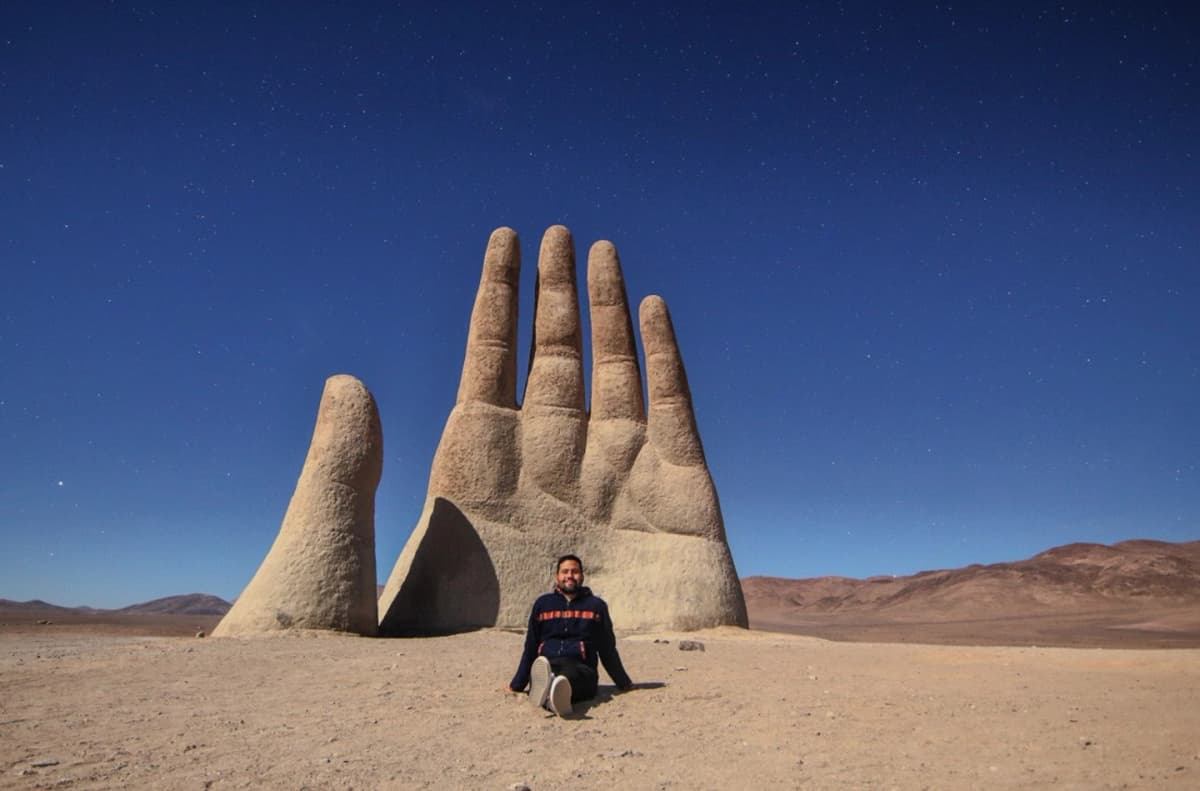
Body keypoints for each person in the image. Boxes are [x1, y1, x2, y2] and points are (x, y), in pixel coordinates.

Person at [507, 554, 633, 716]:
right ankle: (553, 693)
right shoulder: (542, 604)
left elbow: (607, 648)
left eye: (575, 572)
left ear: (582, 576)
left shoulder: (596, 606)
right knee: (546, 672)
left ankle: (551, 692)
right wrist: (516, 685)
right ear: (557, 576)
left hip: (582, 669)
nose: (569, 576)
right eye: (565, 572)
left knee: (569, 677)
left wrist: (623, 682)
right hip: (548, 665)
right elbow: (531, 647)